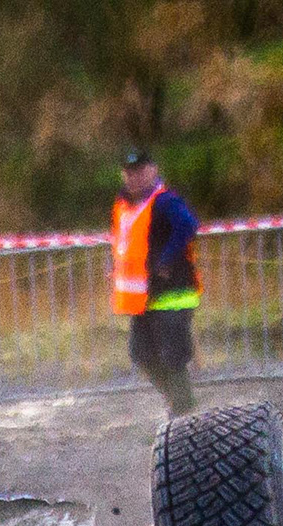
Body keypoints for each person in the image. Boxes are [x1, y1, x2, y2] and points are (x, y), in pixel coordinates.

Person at [113, 150, 202, 416]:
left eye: (140, 171)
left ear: (153, 170)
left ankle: (184, 410)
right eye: (129, 172)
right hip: (144, 297)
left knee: (173, 356)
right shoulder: (124, 206)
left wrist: (166, 259)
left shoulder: (165, 201)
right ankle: (179, 403)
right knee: (141, 354)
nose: (134, 177)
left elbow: (188, 225)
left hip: (173, 294)